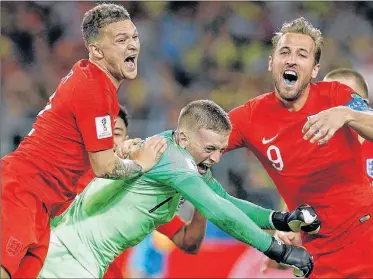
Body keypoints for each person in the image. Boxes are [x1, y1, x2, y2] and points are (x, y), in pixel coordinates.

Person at [38, 100, 320, 278]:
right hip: (68, 259)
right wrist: (278, 251)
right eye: (210, 149)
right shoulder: (171, 158)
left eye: (221, 150)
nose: (217, 158)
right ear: (183, 138)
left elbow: (224, 200)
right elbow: (219, 213)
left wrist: (280, 219)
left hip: (77, 259)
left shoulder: (183, 159)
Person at [226, 17, 373, 278]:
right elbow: (205, 138)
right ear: (271, 62)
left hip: (371, 238)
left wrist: (345, 113)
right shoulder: (252, 117)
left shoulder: (338, 99)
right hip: (319, 254)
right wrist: (287, 229)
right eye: (284, 52)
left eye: (302, 54)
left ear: (315, 69)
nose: (292, 59)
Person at [1, 4, 167, 278]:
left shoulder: (92, 80)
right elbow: (103, 167)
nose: (133, 46)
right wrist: (140, 165)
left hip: (42, 206)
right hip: (23, 191)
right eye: (121, 40)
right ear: (97, 51)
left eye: (134, 37)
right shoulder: (95, 89)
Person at [55, 105, 207, 278]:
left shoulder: (140, 188)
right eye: (103, 132)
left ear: (126, 139)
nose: (110, 140)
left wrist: (205, 199)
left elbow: (188, 242)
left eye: (117, 133)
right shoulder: (60, 179)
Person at [323, 68, 373, 229]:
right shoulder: (313, 154)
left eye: (343, 98)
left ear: (364, 104)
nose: (336, 108)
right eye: (327, 98)